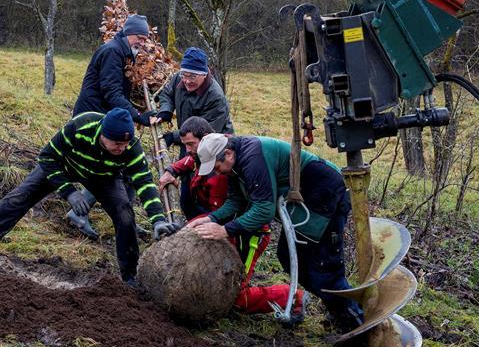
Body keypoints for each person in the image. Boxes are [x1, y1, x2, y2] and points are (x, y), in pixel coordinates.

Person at [0, 108, 179, 285]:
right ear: (103, 134)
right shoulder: (81, 125)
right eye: (117, 144)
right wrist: (69, 192)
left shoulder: (131, 148)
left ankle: (129, 277)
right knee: (19, 197)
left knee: (124, 214)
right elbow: (47, 157)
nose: (122, 148)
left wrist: (157, 220)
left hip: (104, 177)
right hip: (65, 165)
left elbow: (144, 182)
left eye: (125, 144)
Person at [188, 133, 365, 332]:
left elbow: (264, 210)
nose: (217, 172)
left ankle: (357, 321)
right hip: (306, 200)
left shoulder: (252, 160)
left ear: (227, 154)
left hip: (325, 194)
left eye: (217, 166)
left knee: (323, 266)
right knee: (288, 257)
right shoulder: (234, 165)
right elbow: (235, 201)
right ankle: (340, 310)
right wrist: (211, 218)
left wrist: (225, 230)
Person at [158, 117, 307, 322]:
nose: (188, 150)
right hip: (226, 229)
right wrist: (172, 170)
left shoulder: (225, 168)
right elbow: (193, 160)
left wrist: (203, 224)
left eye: (191, 144)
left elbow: (227, 210)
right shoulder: (212, 154)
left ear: (206, 139)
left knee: (235, 297)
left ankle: (292, 297)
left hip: (248, 234)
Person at [68, 14, 158, 239]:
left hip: (105, 117)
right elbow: (111, 92)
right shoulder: (112, 52)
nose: (142, 43)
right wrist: (138, 116)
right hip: (92, 118)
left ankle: (126, 221)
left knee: (124, 169)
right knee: (108, 170)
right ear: (128, 33)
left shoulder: (124, 53)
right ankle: (78, 213)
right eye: (139, 37)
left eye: (145, 39)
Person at [150, 47, 234, 219]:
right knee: (187, 194)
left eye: (193, 76)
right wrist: (166, 110)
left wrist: (174, 137)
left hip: (214, 150)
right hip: (188, 142)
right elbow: (167, 94)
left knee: (209, 194)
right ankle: (191, 223)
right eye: (184, 75)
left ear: (205, 73)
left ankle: (214, 225)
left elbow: (206, 136)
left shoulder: (215, 97)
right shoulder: (178, 79)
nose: (187, 81)